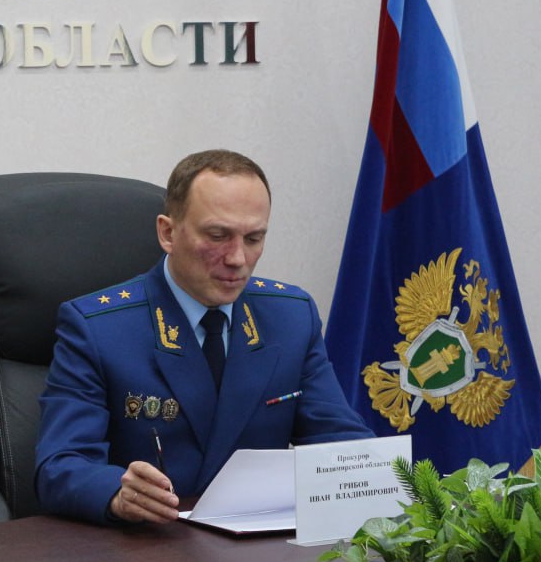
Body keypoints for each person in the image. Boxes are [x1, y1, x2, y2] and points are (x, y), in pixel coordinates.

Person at [34, 149, 373, 525]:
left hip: (258, 543)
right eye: (217, 236)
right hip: (150, 542)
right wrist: (117, 492)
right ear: (168, 233)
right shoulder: (98, 327)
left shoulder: (291, 317)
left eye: (253, 238)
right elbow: (60, 464)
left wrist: (383, 483)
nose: (237, 258)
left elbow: (341, 441)